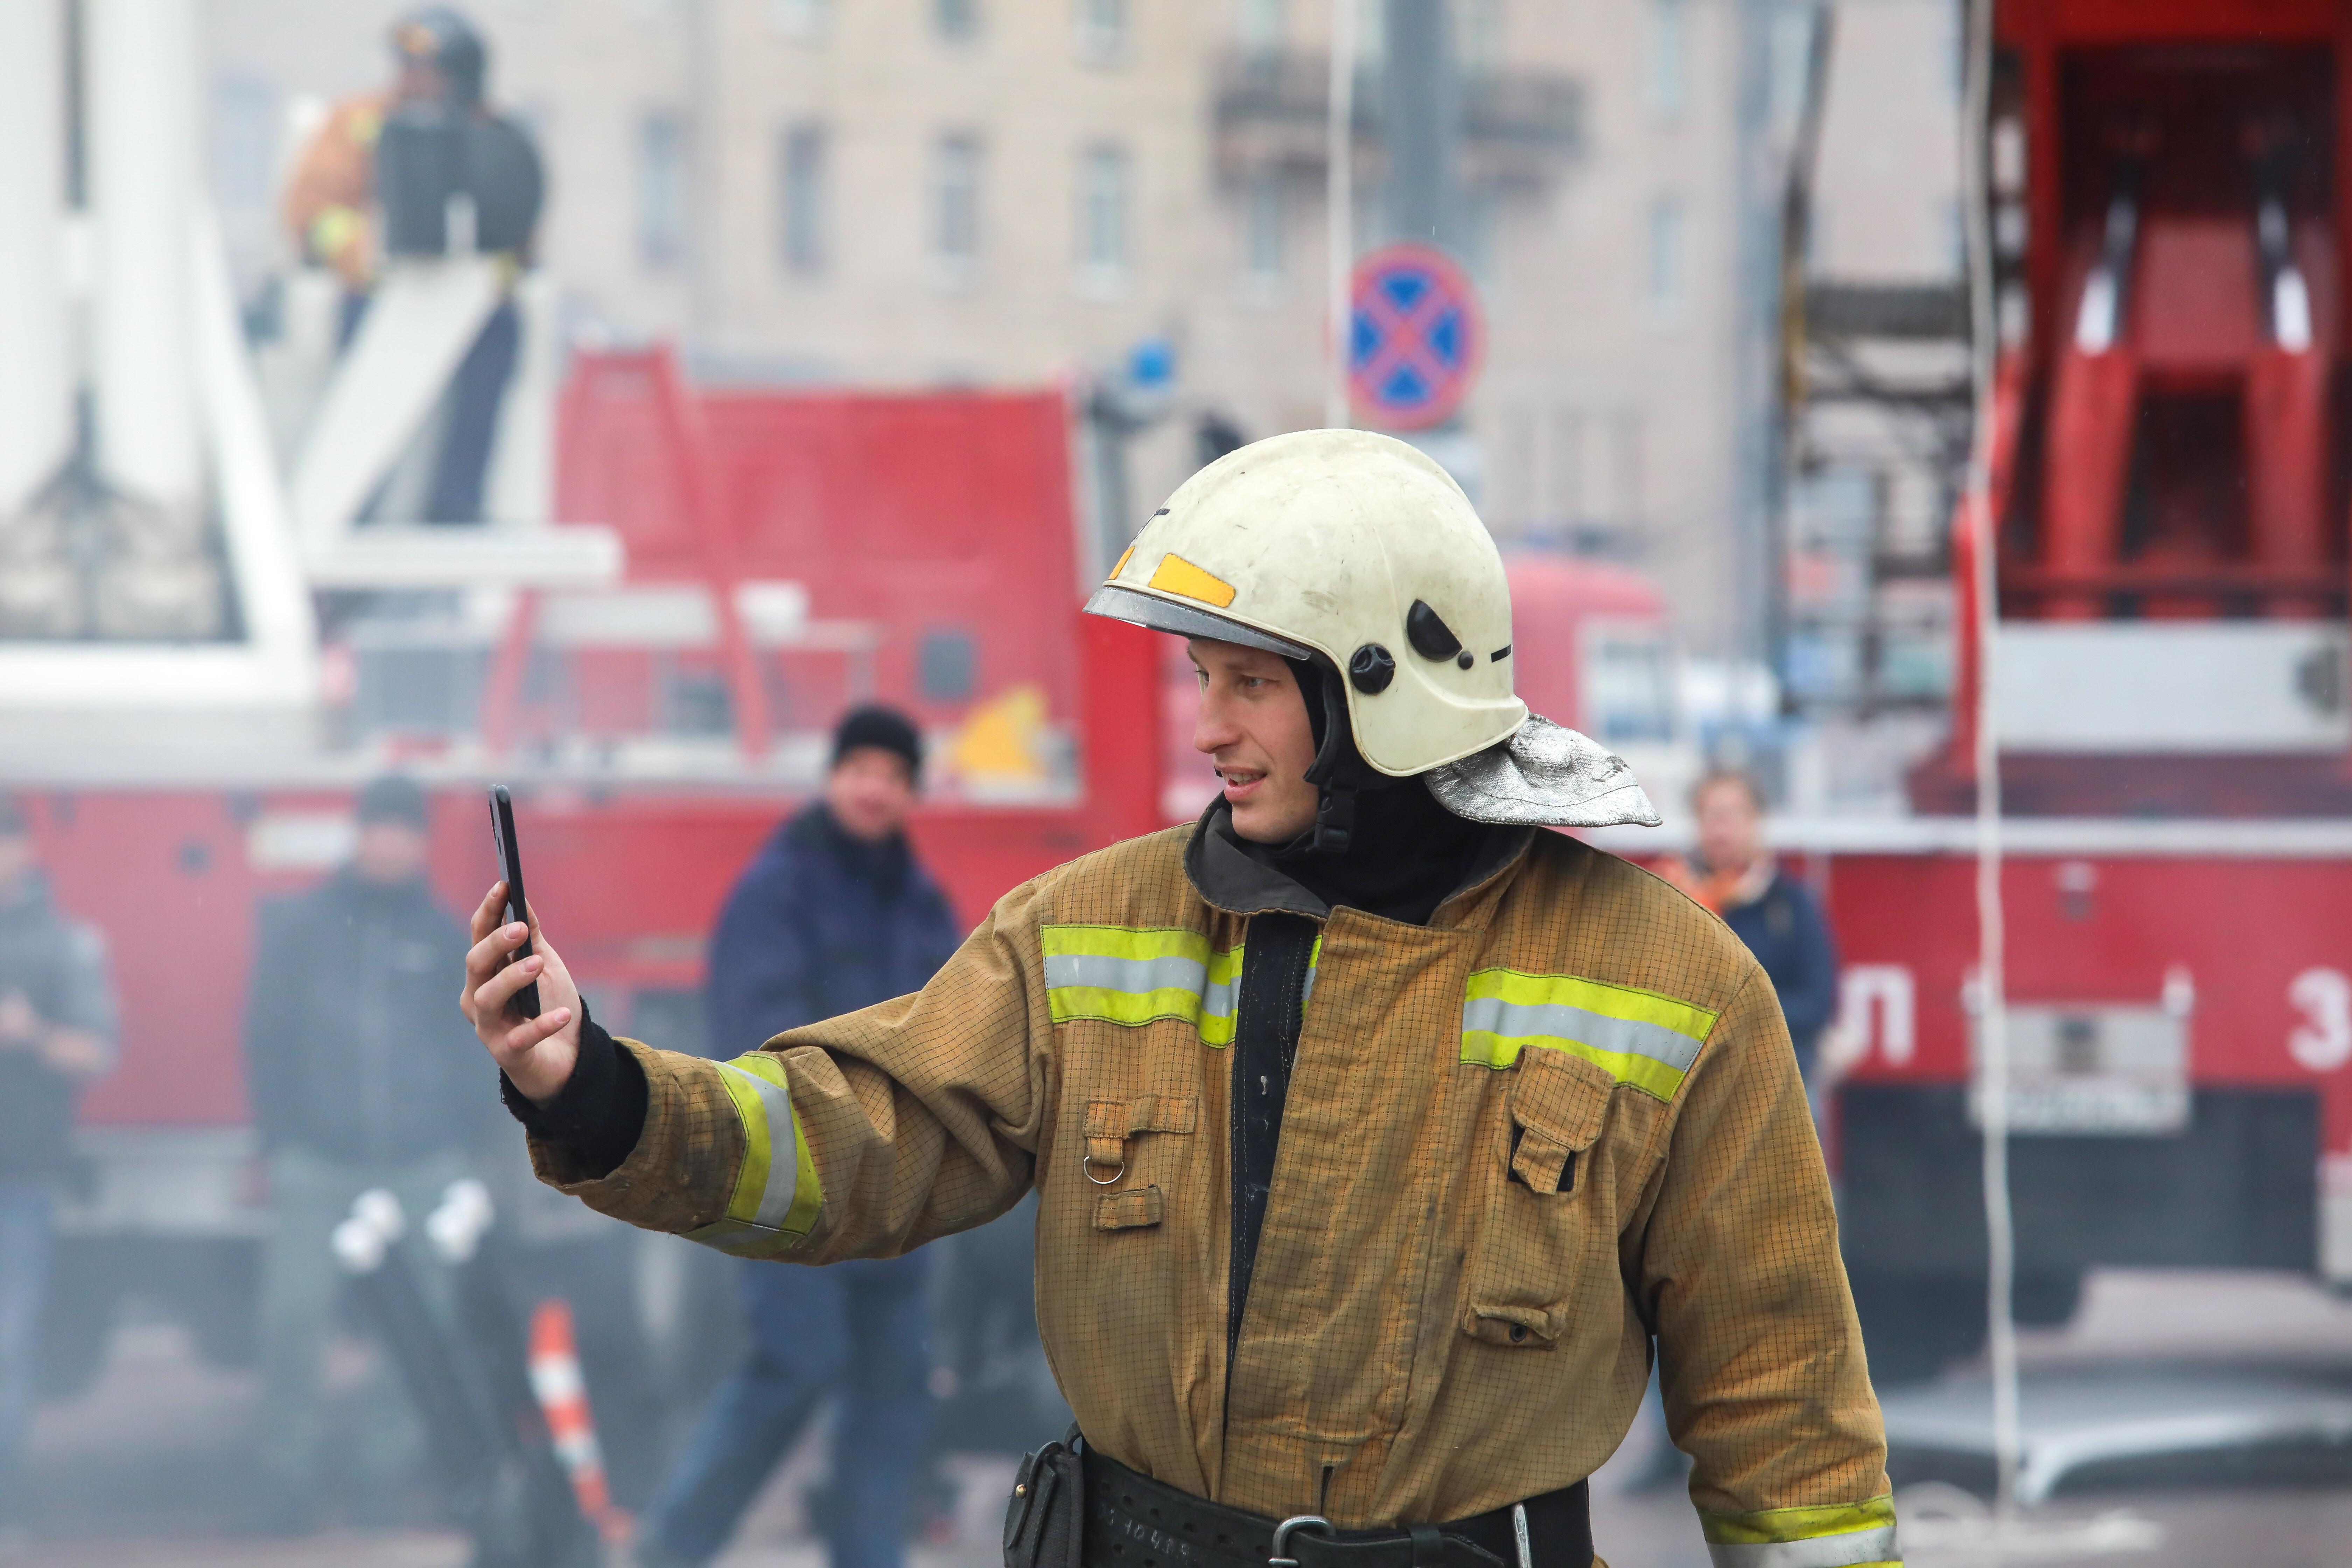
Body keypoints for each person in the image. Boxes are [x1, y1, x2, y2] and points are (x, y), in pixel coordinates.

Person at [465, 430, 1900, 1568]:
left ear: (1380, 690)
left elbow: (1787, 1417)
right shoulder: (1094, 928)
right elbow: (861, 1135)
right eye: (1201, 678)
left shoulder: (1671, 985)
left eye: (1251, 685)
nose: (1207, 726)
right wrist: (593, 1087)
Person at [635, 707, 964, 1568]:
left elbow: (955, 1027)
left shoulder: (919, 900)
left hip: (896, 1190)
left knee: (894, 1391)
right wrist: (850, 1115)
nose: (873, 787)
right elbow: (756, 1035)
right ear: (830, 777)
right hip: (794, 1181)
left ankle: (868, 1557)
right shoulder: (776, 888)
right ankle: (668, 1551)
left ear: (909, 794)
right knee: (797, 1368)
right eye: (859, 768)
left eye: (892, 776)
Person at [244, 775, 486, 1532]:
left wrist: (462, 1141)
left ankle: (385, 1475)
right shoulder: (305, 926)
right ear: (359, 833)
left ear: (420, 841)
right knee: (292, 1318)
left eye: (404, 828)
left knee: (421, 1326)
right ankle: (286, 1483)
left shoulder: (449, 935)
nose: (389, 842)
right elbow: (267, 1034)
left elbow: (477, 1042)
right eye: (378, 826)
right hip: (318, 1159)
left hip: (421, 1161)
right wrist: (278, 1137)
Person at [281, 6, 544, 524]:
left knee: (500, 339)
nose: (413, 80)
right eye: (407, 67)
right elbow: (311, 209)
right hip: (376, 294)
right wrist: (361, 252)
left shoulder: (495, 134)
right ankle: (353, 510)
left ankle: (456, 511)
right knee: (365, 394)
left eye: (427, 70)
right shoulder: (360, 122)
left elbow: (521, 229)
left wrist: (494, 274)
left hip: (472, 306)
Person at [0, 798, 117, 1533]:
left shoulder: (64, 945)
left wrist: (29, 1031)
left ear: (24, 853)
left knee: (7, 1346)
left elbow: (97, 1052)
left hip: (22, 1177)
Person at [1664, 771, 1840, 1093]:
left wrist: (1739, 1014)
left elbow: (1818, 1003)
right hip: (1689, 1083)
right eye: (1710, 815)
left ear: (1756, 821)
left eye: (1732, 814)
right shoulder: (1672, 900)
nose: (1721, 827)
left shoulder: (1790, 904)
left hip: (1777, 1079)